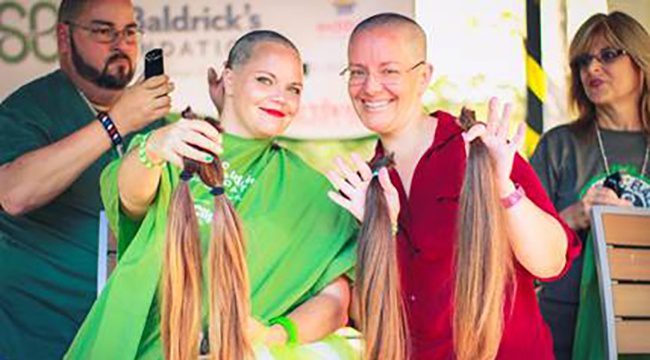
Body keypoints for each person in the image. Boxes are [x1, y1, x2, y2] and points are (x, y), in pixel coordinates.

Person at [65, 30, 358, 359]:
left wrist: (272, 334)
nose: (281, 97)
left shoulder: (311, 191)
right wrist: (153, 149)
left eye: (294, 89)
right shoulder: (177, 142)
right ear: (229, 80)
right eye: (265, 80)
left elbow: (335, 301)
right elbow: (130, 200)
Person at [327, 13, 581, 359]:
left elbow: (550, 264)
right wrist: (380, 231)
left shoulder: (477, 149)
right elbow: (371, 311)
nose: (370, 87)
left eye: (389, 71)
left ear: (424, 76)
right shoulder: (368, 183)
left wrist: (503, 188)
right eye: (358, 72)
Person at [0, 0, 172, 358]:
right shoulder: (29, 108)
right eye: (103, 31)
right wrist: (115, 123)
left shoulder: (153, 122)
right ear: (65, 36)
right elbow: (14, 193)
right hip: (42, 337)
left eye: (128, 32)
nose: (120, 43)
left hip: (126, 338)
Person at [530, 11, 650, 360]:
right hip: (563, 328)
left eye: (608, 55)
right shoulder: (559, 146)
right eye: (583, 61)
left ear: (640, 61)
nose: (591, 69)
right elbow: (518, 248)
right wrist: (575, 215)